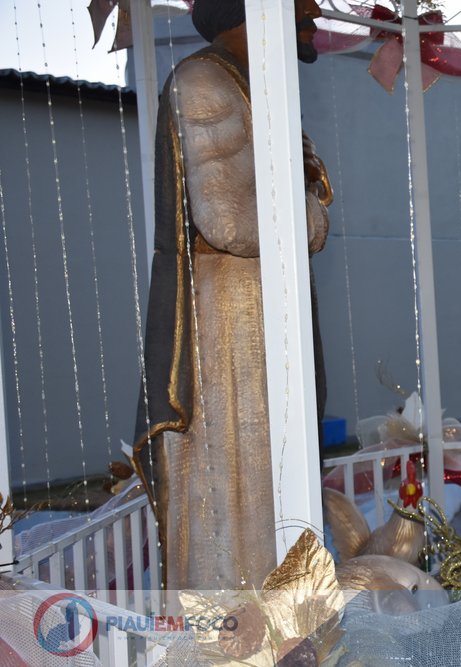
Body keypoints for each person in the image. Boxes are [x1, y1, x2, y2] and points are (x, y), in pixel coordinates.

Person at [131, 0, 331, 590]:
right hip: (231, 312)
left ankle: (288, 604)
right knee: (238, 470)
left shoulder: (253, 84)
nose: (315, 11)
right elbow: (227, 219)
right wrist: (311, 213)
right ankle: (237, 614)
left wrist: (304, 197)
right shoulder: (205, 82)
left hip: (264, 298)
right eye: (302, 0)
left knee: (276, 462)